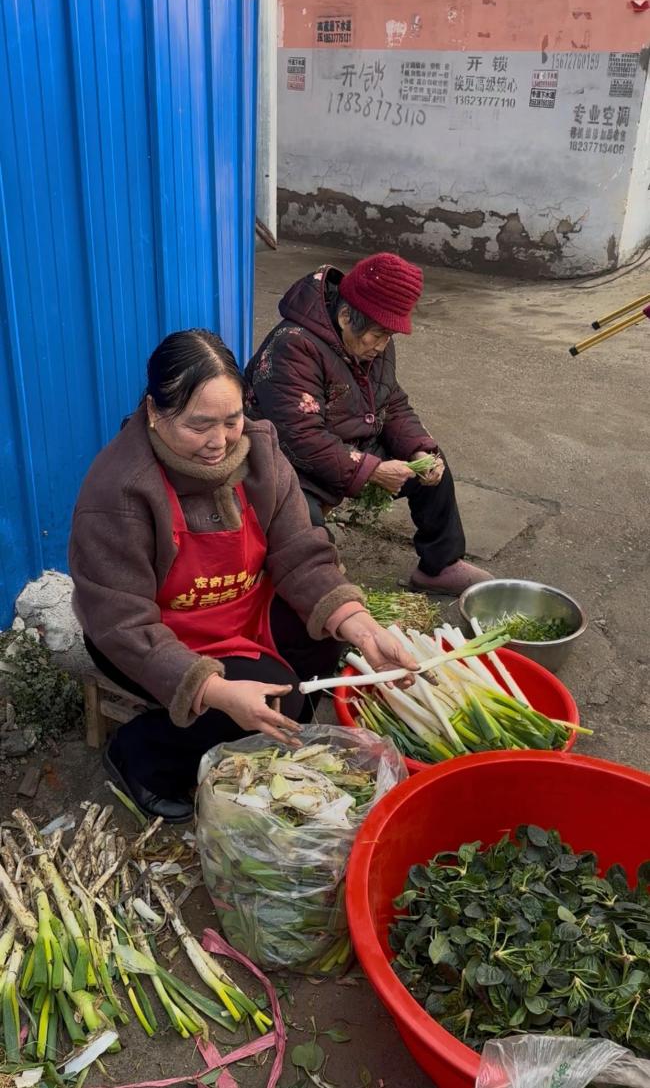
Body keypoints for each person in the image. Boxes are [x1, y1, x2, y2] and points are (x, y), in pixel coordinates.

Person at [69, 330, 417, 824]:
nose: (219, 441)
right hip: (144, 637)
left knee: (329, 646)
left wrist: (362, 625)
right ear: (154, 411)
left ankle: (231, 711)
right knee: (277, 701)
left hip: (242, 609)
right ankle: (139, 755)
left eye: (231, 420)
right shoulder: (120, 490)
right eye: (199, 425)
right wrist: (217, 691)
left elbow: (302, 554)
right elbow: (122, 622)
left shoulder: (259, 453)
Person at [245, 252, 491, 596]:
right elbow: (300, 438)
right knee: (302, 518)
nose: (383, 345)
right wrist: (372, 470)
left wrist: (420, 449)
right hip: (287, 461)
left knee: (433, 469)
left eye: (389, 336)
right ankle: (320, 590)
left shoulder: (373, 341)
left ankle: (441, 565)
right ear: (346, 316)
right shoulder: (293, 345)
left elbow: (391, 401)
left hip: (351, 448)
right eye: (378, 335)